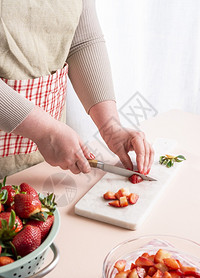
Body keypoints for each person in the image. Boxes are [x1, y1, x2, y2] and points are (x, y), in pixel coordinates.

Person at [0, 0, 154, 180]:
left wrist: (111, 129)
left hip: (42, 164)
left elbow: (82, 39)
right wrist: (45, 131)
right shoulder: (47, 132)